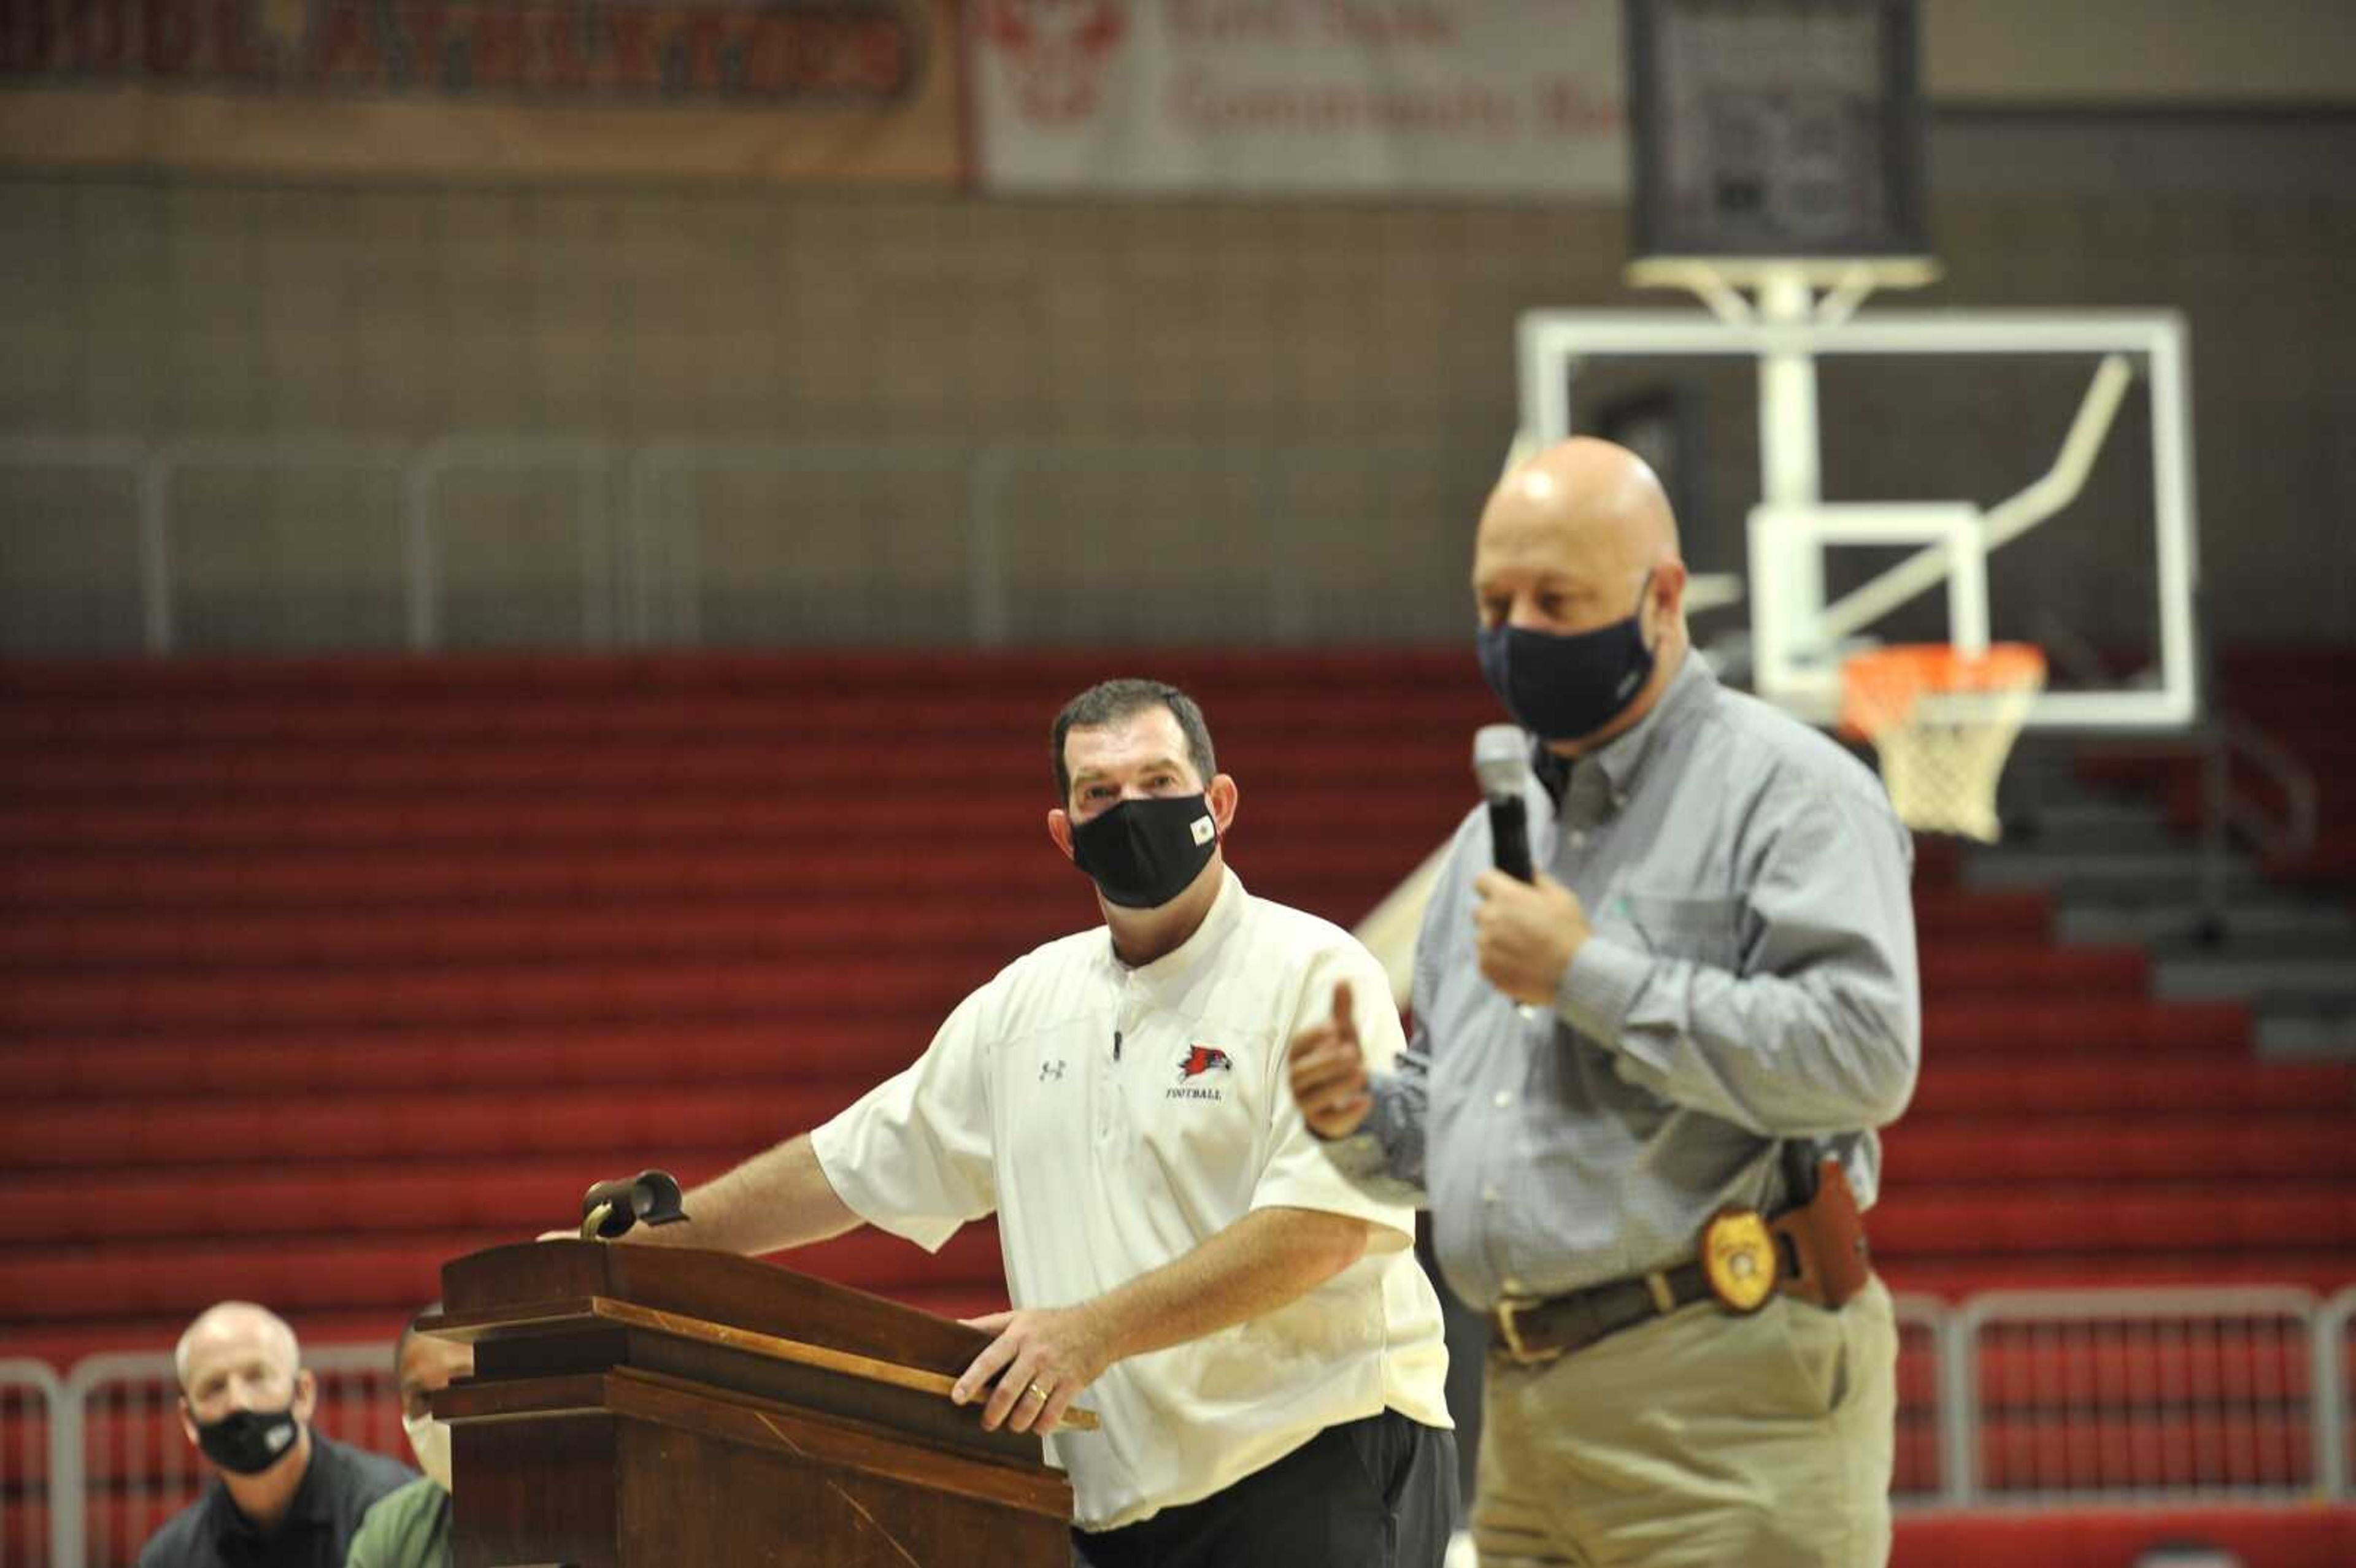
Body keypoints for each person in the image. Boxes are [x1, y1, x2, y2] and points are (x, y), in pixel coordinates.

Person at [601, 678, 1457, 1568]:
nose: (1132, 809)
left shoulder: (1318, 972)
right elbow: (842, 1169)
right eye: (1100, 794)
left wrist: (1088, 1333)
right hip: (1107, 1507)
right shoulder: (1023, 1005)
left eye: (1160, 783)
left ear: (1220, 802)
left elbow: (1321, 1233)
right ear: (1065, 833)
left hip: (1313, 1467)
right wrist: (631, 1251)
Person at [1288, 437, 1919, 1568]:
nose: (1517, 629)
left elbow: (1866, 1055)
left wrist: (1588, 975)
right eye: (1494, 600)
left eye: (1557, 598)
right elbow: (1467, 1129)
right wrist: (1359, 1118)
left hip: (1733, 1406)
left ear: (1662, 598)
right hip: (1525, 1412)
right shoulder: (1488, 840)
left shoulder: (1793, 793)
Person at [137, 1302, 415, 1568]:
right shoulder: (171, 1556)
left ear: (302, 1394)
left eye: (257, 1377)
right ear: (189, 1420)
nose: (237, 1403)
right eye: (214, 1387)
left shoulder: (393, 1512)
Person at [344, 1306, 474, 1568]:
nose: (442, 1417)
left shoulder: (576, 1511)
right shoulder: (390, 1528)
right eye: (424, 1398)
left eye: (464, 1387)